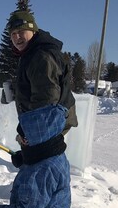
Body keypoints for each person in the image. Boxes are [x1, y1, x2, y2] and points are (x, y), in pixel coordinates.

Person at [7, 10, 78, 168]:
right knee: (43, 164)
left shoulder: (40, 56)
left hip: (50, 120)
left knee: (43, 167)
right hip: (47, 120)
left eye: (21, 32)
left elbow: (46, 101)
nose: (16, 37)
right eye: (13, 34)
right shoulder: (32, 53)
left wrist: (29, 142)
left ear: (33, 30)